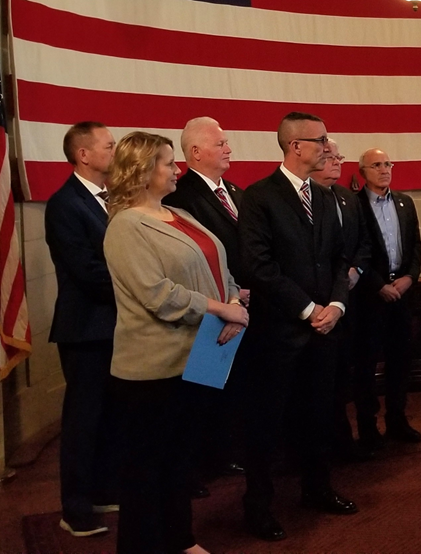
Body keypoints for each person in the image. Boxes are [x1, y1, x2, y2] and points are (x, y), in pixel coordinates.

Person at [103, 131, 247, 554]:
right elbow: (157, 295)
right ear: (144, 171)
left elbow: (219, 267)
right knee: (146, 470)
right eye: (168, 163)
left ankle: (180, 539)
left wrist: (235, 300)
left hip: (199, 355)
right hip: (153, 369)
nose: (177, 169)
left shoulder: (178, 213)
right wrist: (221, 310)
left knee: (180, 462)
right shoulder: (126, 226)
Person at [237, 112, 357, 542]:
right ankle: (259, 507)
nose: (327, 146)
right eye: (320, 139)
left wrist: (338, 305)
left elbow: (340, 259)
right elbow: (257, 266)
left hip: (325, 332)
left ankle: (317, 488)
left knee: (320, 417)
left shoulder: (325, 196)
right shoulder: (259, 197)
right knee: (266, 426)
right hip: (279, 335)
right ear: (295, 146)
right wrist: (309, 309)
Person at [163, 116, 246, 495]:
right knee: (198, 395)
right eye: (221, 143)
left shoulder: (236, 191)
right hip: (209, 310)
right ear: (195, 152)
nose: (229, 148)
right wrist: (226, 301)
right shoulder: (180, 198)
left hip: (241, 303)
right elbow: (189, 261)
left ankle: (221, 452)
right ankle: (192, 469)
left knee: (229, 393)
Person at [45, 121, 119, 537]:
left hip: (114, 327)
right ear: (83, 155)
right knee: (82, 421)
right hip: (86, 329)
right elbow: (87, 271)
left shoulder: (112, 198)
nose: (116, 150)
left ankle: (103, 489)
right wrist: (138, 285)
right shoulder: (65, 204)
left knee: (110, 416)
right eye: (109, 145)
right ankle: (74, 509)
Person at [353, 148, 421, 452]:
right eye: (377, 165)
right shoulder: (353, 205)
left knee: (401, 361)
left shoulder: (405, 203)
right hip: (369, 298)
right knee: (366, 364)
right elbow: (354, 251)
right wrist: (378, 285)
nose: (384, 169)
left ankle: (397, 418)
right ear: (363, 172)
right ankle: (368, 428)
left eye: (388, 164)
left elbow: (416, 246)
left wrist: (410, 277)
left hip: (402, 296)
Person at [310, 139, 374, 463]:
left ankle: (343, 439)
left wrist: (356, 271)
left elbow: (364, 242)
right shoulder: (301, 198)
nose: (337, 163)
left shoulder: (348, 198)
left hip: (351, 301)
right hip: (315, 307)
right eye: (330, 157)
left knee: (345, 375)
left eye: (340, 157)